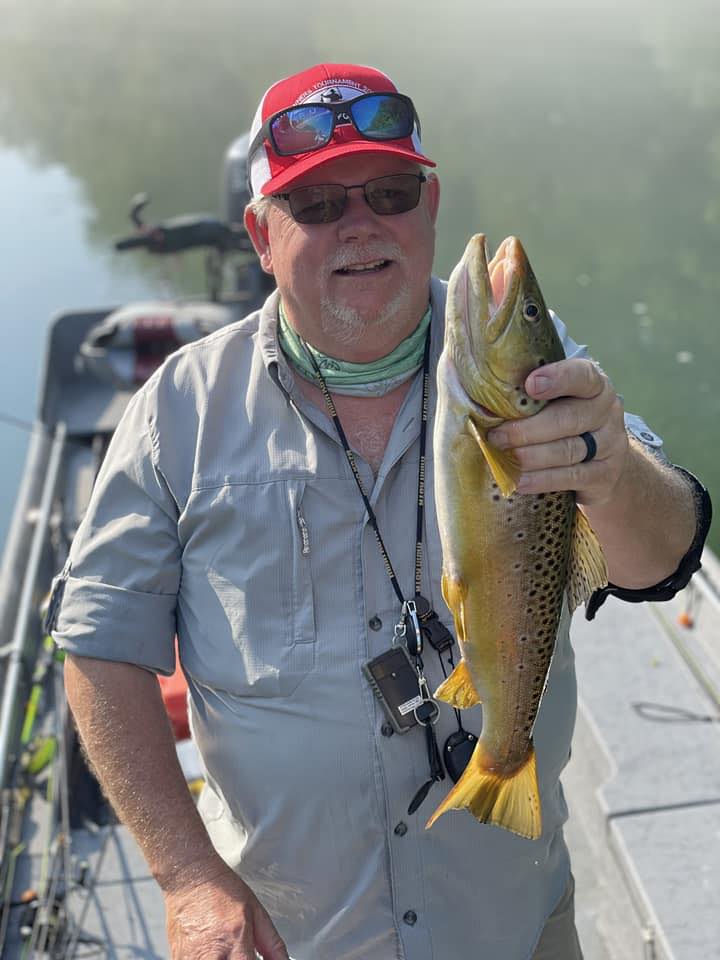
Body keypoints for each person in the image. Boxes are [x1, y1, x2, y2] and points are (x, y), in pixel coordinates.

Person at [50, 63, 711, 960]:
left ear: (429, 208)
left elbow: (661, 558)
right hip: (282, 941)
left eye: (390, 192)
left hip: (513, 929)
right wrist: (186, 878)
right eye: (317, 206)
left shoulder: (538, 379)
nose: (359, 225)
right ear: (260, 233)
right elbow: (98, 648)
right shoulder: (178, 412)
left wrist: (612, 469)